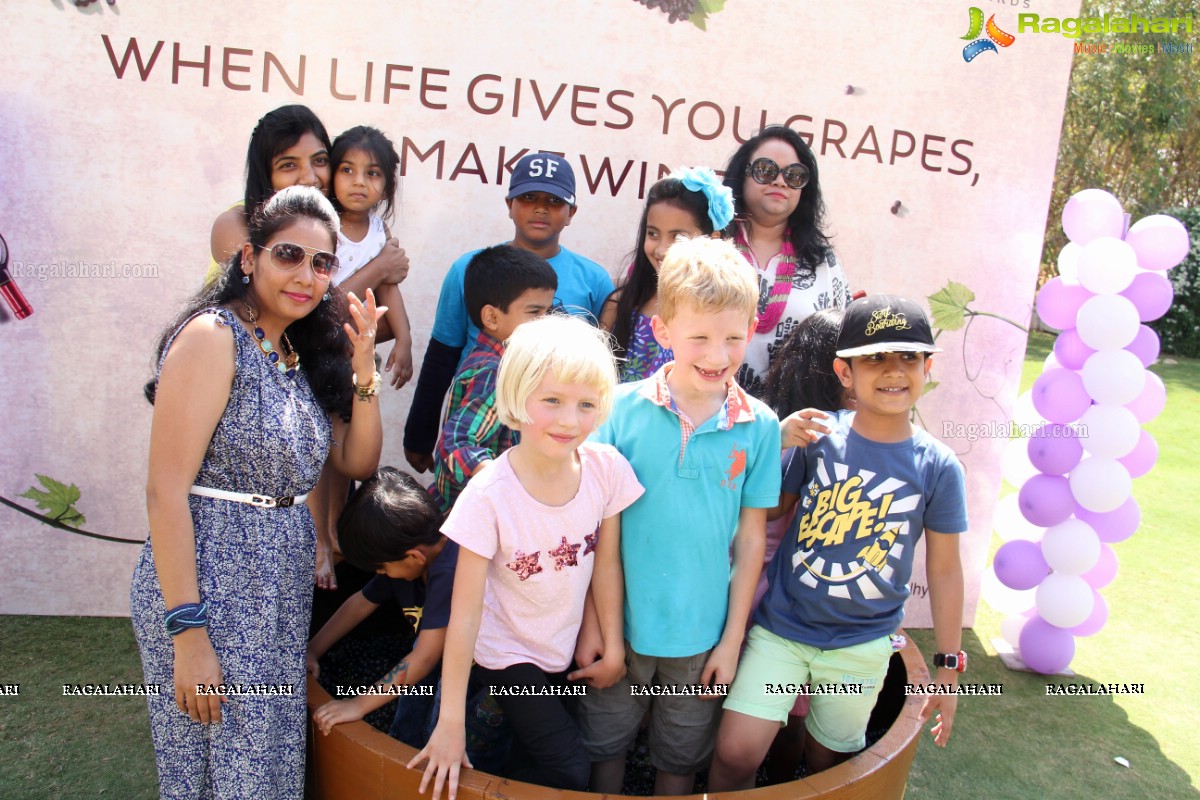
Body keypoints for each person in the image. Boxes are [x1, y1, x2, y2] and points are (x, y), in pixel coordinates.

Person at [131, 185, 385, 799]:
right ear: (249, 258)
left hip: (277, 588)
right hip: (211, 588)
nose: (306, 275)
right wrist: (188, 635)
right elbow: (165, 493)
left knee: (263, 768)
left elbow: (357, 458)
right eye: (289, 255)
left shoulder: (295, 354)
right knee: (214, 770)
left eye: (322, 263)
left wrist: (364, 370)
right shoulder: (213, 337)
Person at [708, 295, 968, 790]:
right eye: (875, 357)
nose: (893, 370)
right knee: (736, 753)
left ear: (928, 368)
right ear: (844, 372)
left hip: (861, 647)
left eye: (908, 356)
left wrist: (949, 668)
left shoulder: (939, 467)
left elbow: (945, 570)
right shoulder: (818, 438)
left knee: (829, 763)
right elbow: (765, 509)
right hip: (780, 633)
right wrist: (771, 443)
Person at [578, 236, 782, 797]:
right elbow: (595, 530)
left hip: (702, 634)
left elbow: (750, 540)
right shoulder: (617, 410)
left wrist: (730, 639)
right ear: (663, 332)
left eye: (733, 339)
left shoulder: (760, 426)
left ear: (751, 329)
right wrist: (597, 627)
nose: (718, 356)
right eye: (699, 338)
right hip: (620, 626)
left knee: (681, 758)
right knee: (605, 749)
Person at [409, 314, 644, 797]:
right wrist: (448, 722)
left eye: (585, 404)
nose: (568, 420)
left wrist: (612, 642)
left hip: (561, 645)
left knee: (519, 757)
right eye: (552, 401)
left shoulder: (606, 470)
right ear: (517, 398)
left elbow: (606, 563)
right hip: (509, 655)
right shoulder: (489, 494)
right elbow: (465, 612)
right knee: (569, 769)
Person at [205, 105, 408, 592]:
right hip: (239, 388)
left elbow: (344, 317)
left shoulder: (333, 228)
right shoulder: (237, 225)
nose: (310, 176)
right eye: (287, 164)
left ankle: (328, 541)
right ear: (263, 170)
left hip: (314, 370)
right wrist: (378, 269)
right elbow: (299, 305)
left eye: (319, 160)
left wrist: (378, 345)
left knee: (333, 464)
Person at [403, 153, 615, 474]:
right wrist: (419, 435)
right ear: (509, 204)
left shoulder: (595, 280)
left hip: (552, 435)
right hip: (482, 432)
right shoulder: (469, 269)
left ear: (571, 212)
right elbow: (441, 356)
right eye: (528, 197)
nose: (540, 208)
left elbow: (598, 374)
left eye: (554, 201)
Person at [754, 307, 850, 783]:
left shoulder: (772, 429)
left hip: (760, 587)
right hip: (786, 593)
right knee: (793, 710)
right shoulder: (804, 437)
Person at [308, 467, 456, 746]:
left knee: (465, 739)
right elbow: (360, 602)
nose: (382, 574)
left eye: (382, 569)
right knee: (409, 729)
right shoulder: (407, 557)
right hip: (432, 661)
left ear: (414, 556)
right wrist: (313, 649)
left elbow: (425, 656)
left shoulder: (450, 570)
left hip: (484, 675)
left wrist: (359, 705)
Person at [722, 125, 852, 397]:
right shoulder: (711, 245)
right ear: (741, 175)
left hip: (793, 421)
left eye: (794, 176)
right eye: (766, 170)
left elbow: (842, 344)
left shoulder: (823, 263)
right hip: (708, 410)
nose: (780, 182)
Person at [430, 245, 558, 512]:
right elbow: (457, 443)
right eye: (534, 313)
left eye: (549, 311)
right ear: (491, 317)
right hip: (473, 515)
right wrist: (506, 482)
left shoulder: (503, 361)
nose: (545, 322)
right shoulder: (496, 371)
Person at [599, 167, 733, 383]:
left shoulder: (724, 313)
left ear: (713, 239)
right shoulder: (621, 304)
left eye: (678, 236)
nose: (661, 249)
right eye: (653, 234)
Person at [328, 125, 414, 390]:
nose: (359, 181)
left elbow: (389, 287)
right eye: (347, 170)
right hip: (318, 347)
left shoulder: (379, 231)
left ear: (387, 186)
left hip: (360, 351)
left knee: (355, 417)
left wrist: (404, 339)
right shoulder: (323, 225)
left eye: (372, 173)